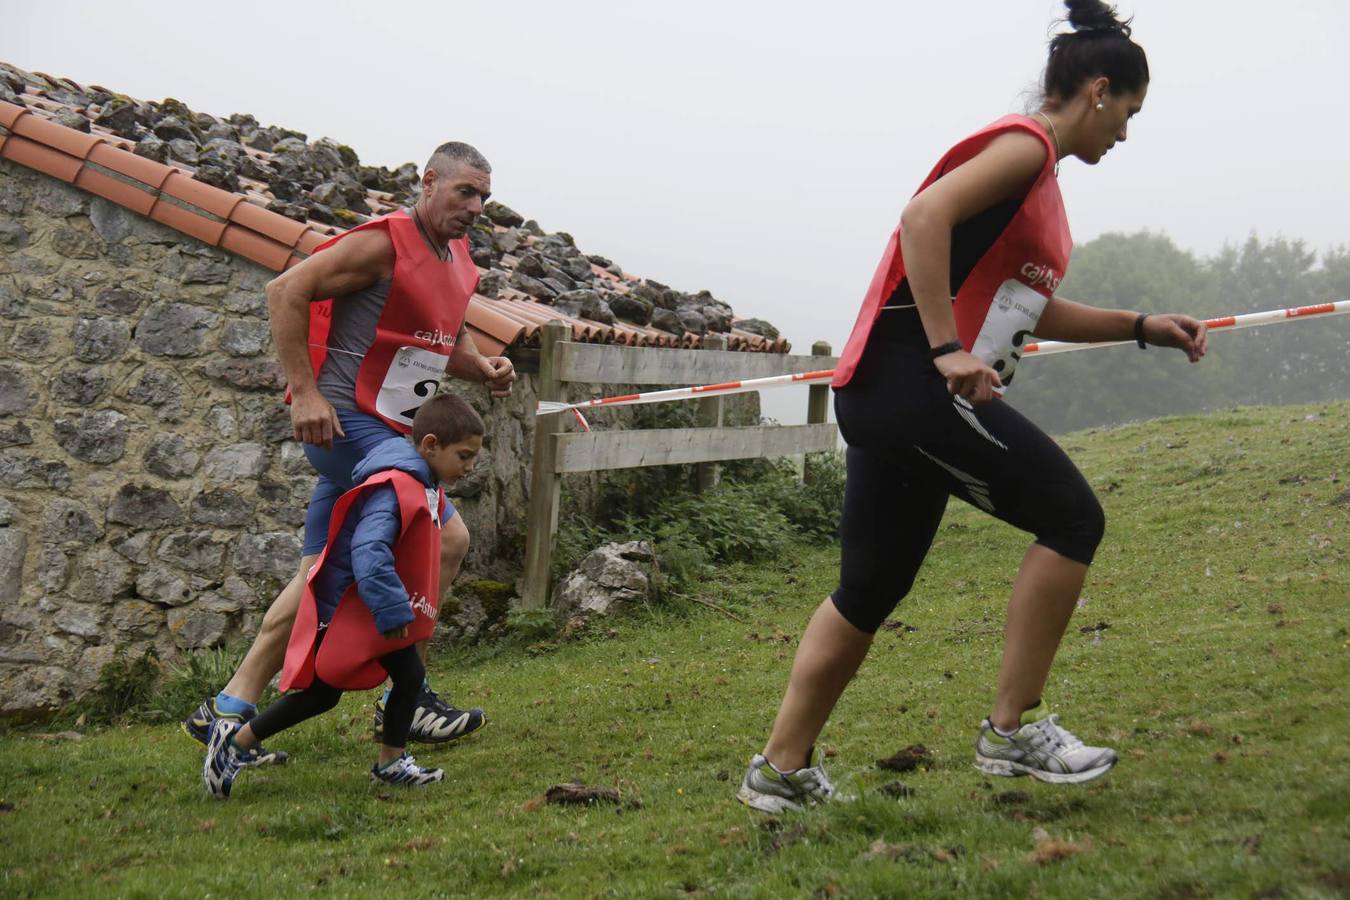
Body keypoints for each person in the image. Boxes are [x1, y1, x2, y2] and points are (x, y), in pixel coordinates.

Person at [737, 0, 1210, 813]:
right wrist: (945, 349)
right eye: (1128, 113)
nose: (1126, 134)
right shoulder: (1024, 148)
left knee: (869, 587)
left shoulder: (1039, 175)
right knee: (1072, 518)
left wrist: (1139, 327)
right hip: (913, 388)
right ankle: (1011, 731)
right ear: (1098, 90)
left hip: (885, 395)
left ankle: (779, 772)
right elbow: (923, 217)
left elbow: (1024, 308)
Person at [184, 142, 515, 760]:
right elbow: (285, 290)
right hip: (348, 426)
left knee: (320, 571)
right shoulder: (383, 244)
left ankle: (229, 707)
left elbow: (443, 337)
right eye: (464, 192)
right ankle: (406, 700)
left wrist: (485, 368)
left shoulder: (457, 258)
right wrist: (305, 392)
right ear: (428, 182)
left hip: (389, 431)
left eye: (484, 198)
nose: (475, 207)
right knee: (446, 537)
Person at [204, 393, 485, 797]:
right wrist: (390, 610)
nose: (471, 467)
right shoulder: (395, 486)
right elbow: (369, 551)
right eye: (464, 455)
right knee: (322, 694)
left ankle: (391, 763)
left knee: (407, 676)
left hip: (365, 607)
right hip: (348, 609)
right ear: (430, 445)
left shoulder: (422, 481)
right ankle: (233, 743)